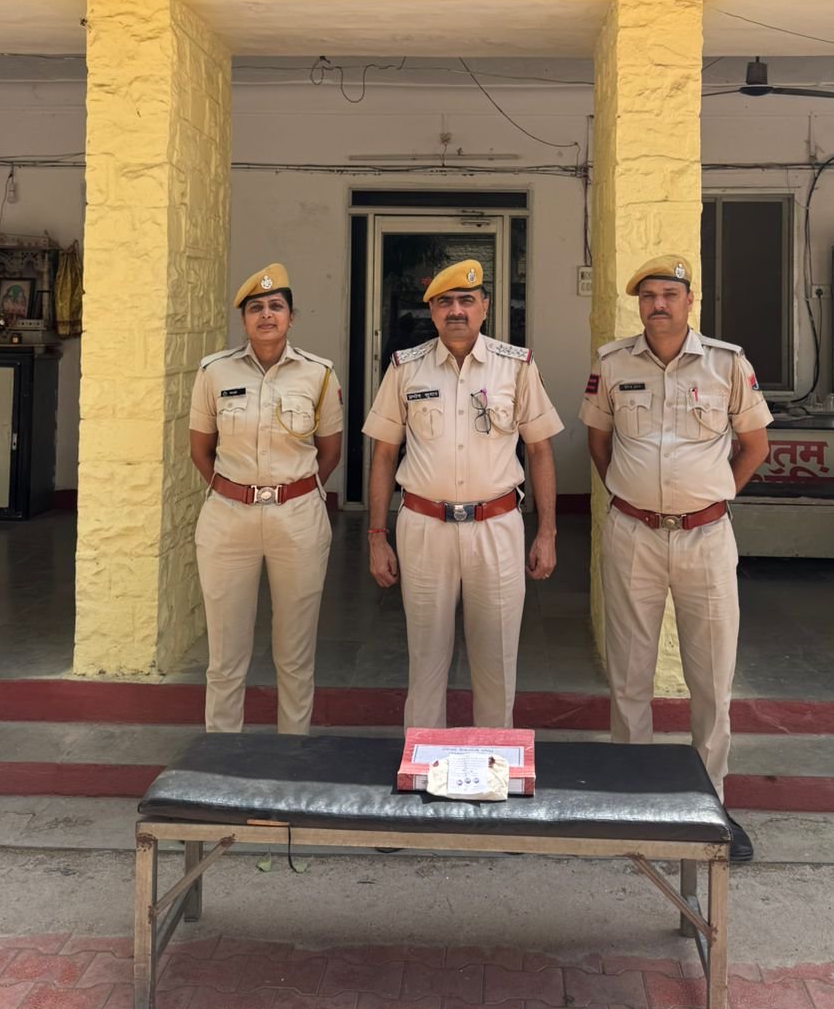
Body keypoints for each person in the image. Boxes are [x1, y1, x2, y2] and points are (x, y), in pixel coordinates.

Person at [579, 254, 771, 862]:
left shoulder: (727, 363)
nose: (657, 304)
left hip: (706, 539)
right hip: (632, 534)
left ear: (691, 301)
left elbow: (755, 444)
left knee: (711, 678)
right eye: (648, 296)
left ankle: (710, 804)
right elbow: (599, 441)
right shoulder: (613, 363)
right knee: (629, 673)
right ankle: (632, 799)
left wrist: (711, 497)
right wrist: (633, 496)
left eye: (668, 294)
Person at [363, 259, 563, 728]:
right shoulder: (405, 368)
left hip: (496, 527)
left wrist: (547, 532)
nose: (456, 310)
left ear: (484, 307)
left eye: (466, 300)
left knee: (497, 663)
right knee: (425, 660)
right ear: (432, 311)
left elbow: (540, 451)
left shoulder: (516, 366)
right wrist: (376, 536)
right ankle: (422, 762)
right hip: (424, 527)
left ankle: (493, 762)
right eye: (445, 302)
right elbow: (383, 455)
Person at [188, 263, 342, 735]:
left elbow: (330, 452)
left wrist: (290, 493)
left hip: (297, 518)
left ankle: (291, 754)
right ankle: (221, 757)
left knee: (295, 653)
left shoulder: (319, 374)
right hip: (228, 517)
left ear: (292, 316)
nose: (267, 315)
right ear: (244, 319)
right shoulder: (214, 371)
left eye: (276, 306)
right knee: (225, 654)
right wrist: (239, 491)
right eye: (256, 308)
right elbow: (200, 449)